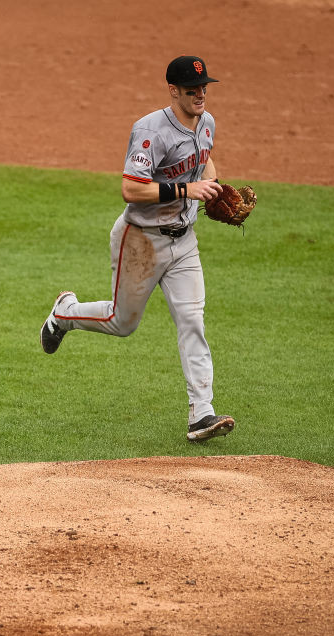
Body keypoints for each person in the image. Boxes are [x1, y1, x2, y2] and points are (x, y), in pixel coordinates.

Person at [40, 56, 236, 443]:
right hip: (142, 240)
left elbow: (204, 160)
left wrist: (213, 188)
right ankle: (64, 313)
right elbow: (131, 189)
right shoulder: (150, 131)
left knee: (192, 321)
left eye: (204, 87)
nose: (200, 94)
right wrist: (187, 189)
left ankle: (202, 414)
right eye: (191, 89)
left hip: (185, 243)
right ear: (173, 90)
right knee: (122, 323)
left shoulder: (207, 122)